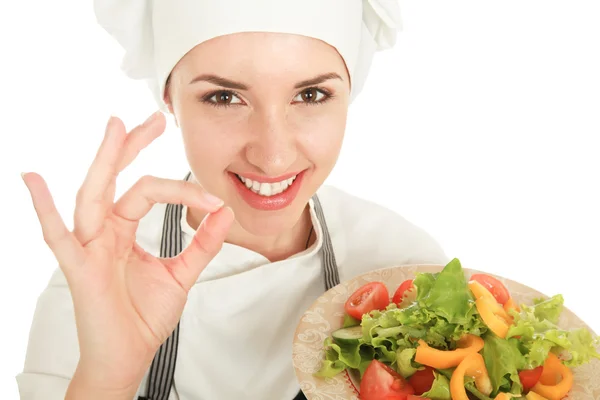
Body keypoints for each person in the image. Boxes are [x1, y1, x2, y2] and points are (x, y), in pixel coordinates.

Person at [17, 0, 448, 399]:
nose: (272, 155)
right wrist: (110, 373)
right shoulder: (97, 283)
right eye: (224, 98)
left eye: (311, 95)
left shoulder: (404, 268)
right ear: (169, 98)